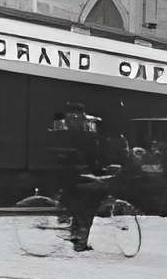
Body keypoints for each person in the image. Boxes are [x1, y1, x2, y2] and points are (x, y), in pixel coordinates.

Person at [49, 105, 119, 252]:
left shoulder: (89, 137)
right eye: (72, 117)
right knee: (86, 202)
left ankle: (78, 234)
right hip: (69, 175)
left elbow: (95, 159)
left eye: (78, 117)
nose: (76, 121)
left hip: (81, 175)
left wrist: (102, 170)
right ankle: (79, 236)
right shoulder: (61, 135)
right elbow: (59, 157)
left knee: (89, 200)